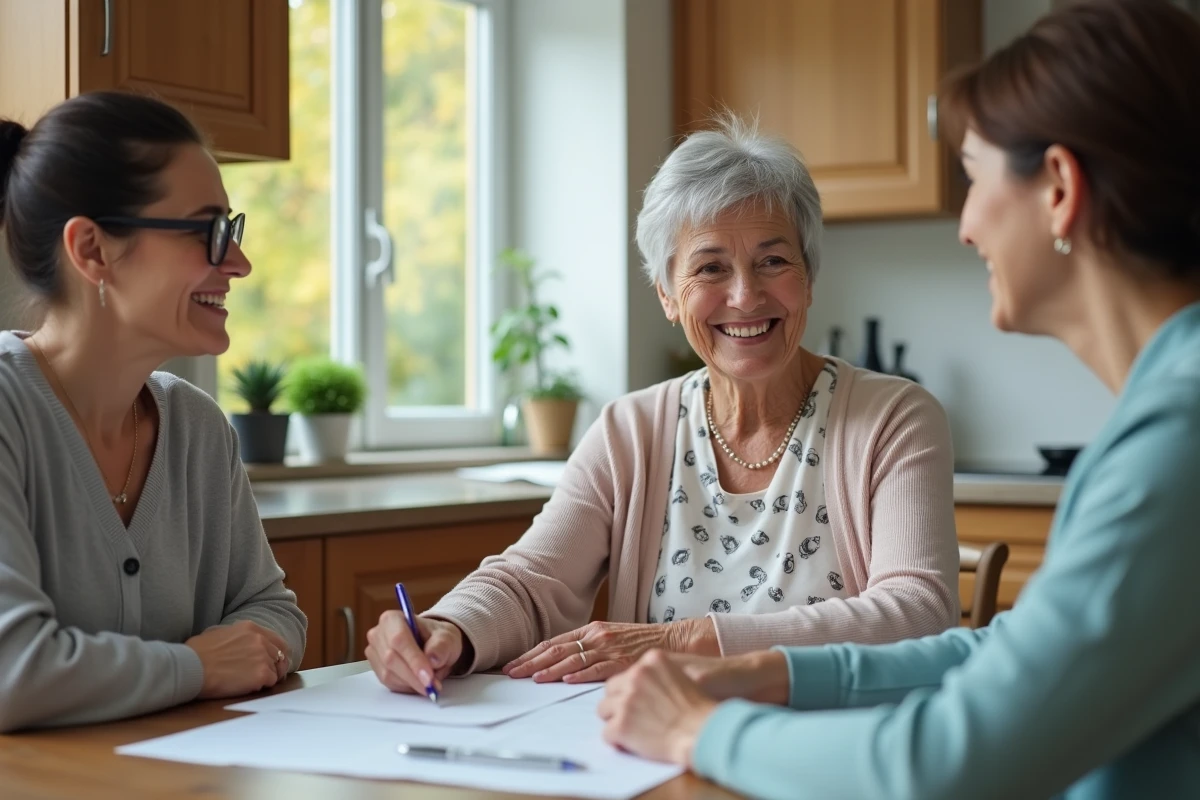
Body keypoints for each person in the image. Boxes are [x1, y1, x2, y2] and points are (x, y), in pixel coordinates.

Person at [596, 1, 1200, 797]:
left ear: (1058, 188)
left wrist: (697, 729)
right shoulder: (1166, 413)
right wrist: (773, 674)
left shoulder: (1177, 443)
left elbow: (943, 763)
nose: (967, 225)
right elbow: (1007, 652)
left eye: (975, 177)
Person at [367, 115, 960, 697]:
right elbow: (531, 579)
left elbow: (917, 613)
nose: (745, 295)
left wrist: (682, 641)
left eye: (773, 261)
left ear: (809, 278)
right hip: (659, 750)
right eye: (710, 268)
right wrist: (449, 629)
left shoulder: (894, 419)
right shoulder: (632, 431)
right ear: (668, 295)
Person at [0, 92, 307, 733]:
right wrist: (195, 667)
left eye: (234, 229)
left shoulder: (199, 429)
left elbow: (273, 612)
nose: (239, 263)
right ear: (92, 250)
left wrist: (235, 651)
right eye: (207, 231)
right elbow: (13, 670)